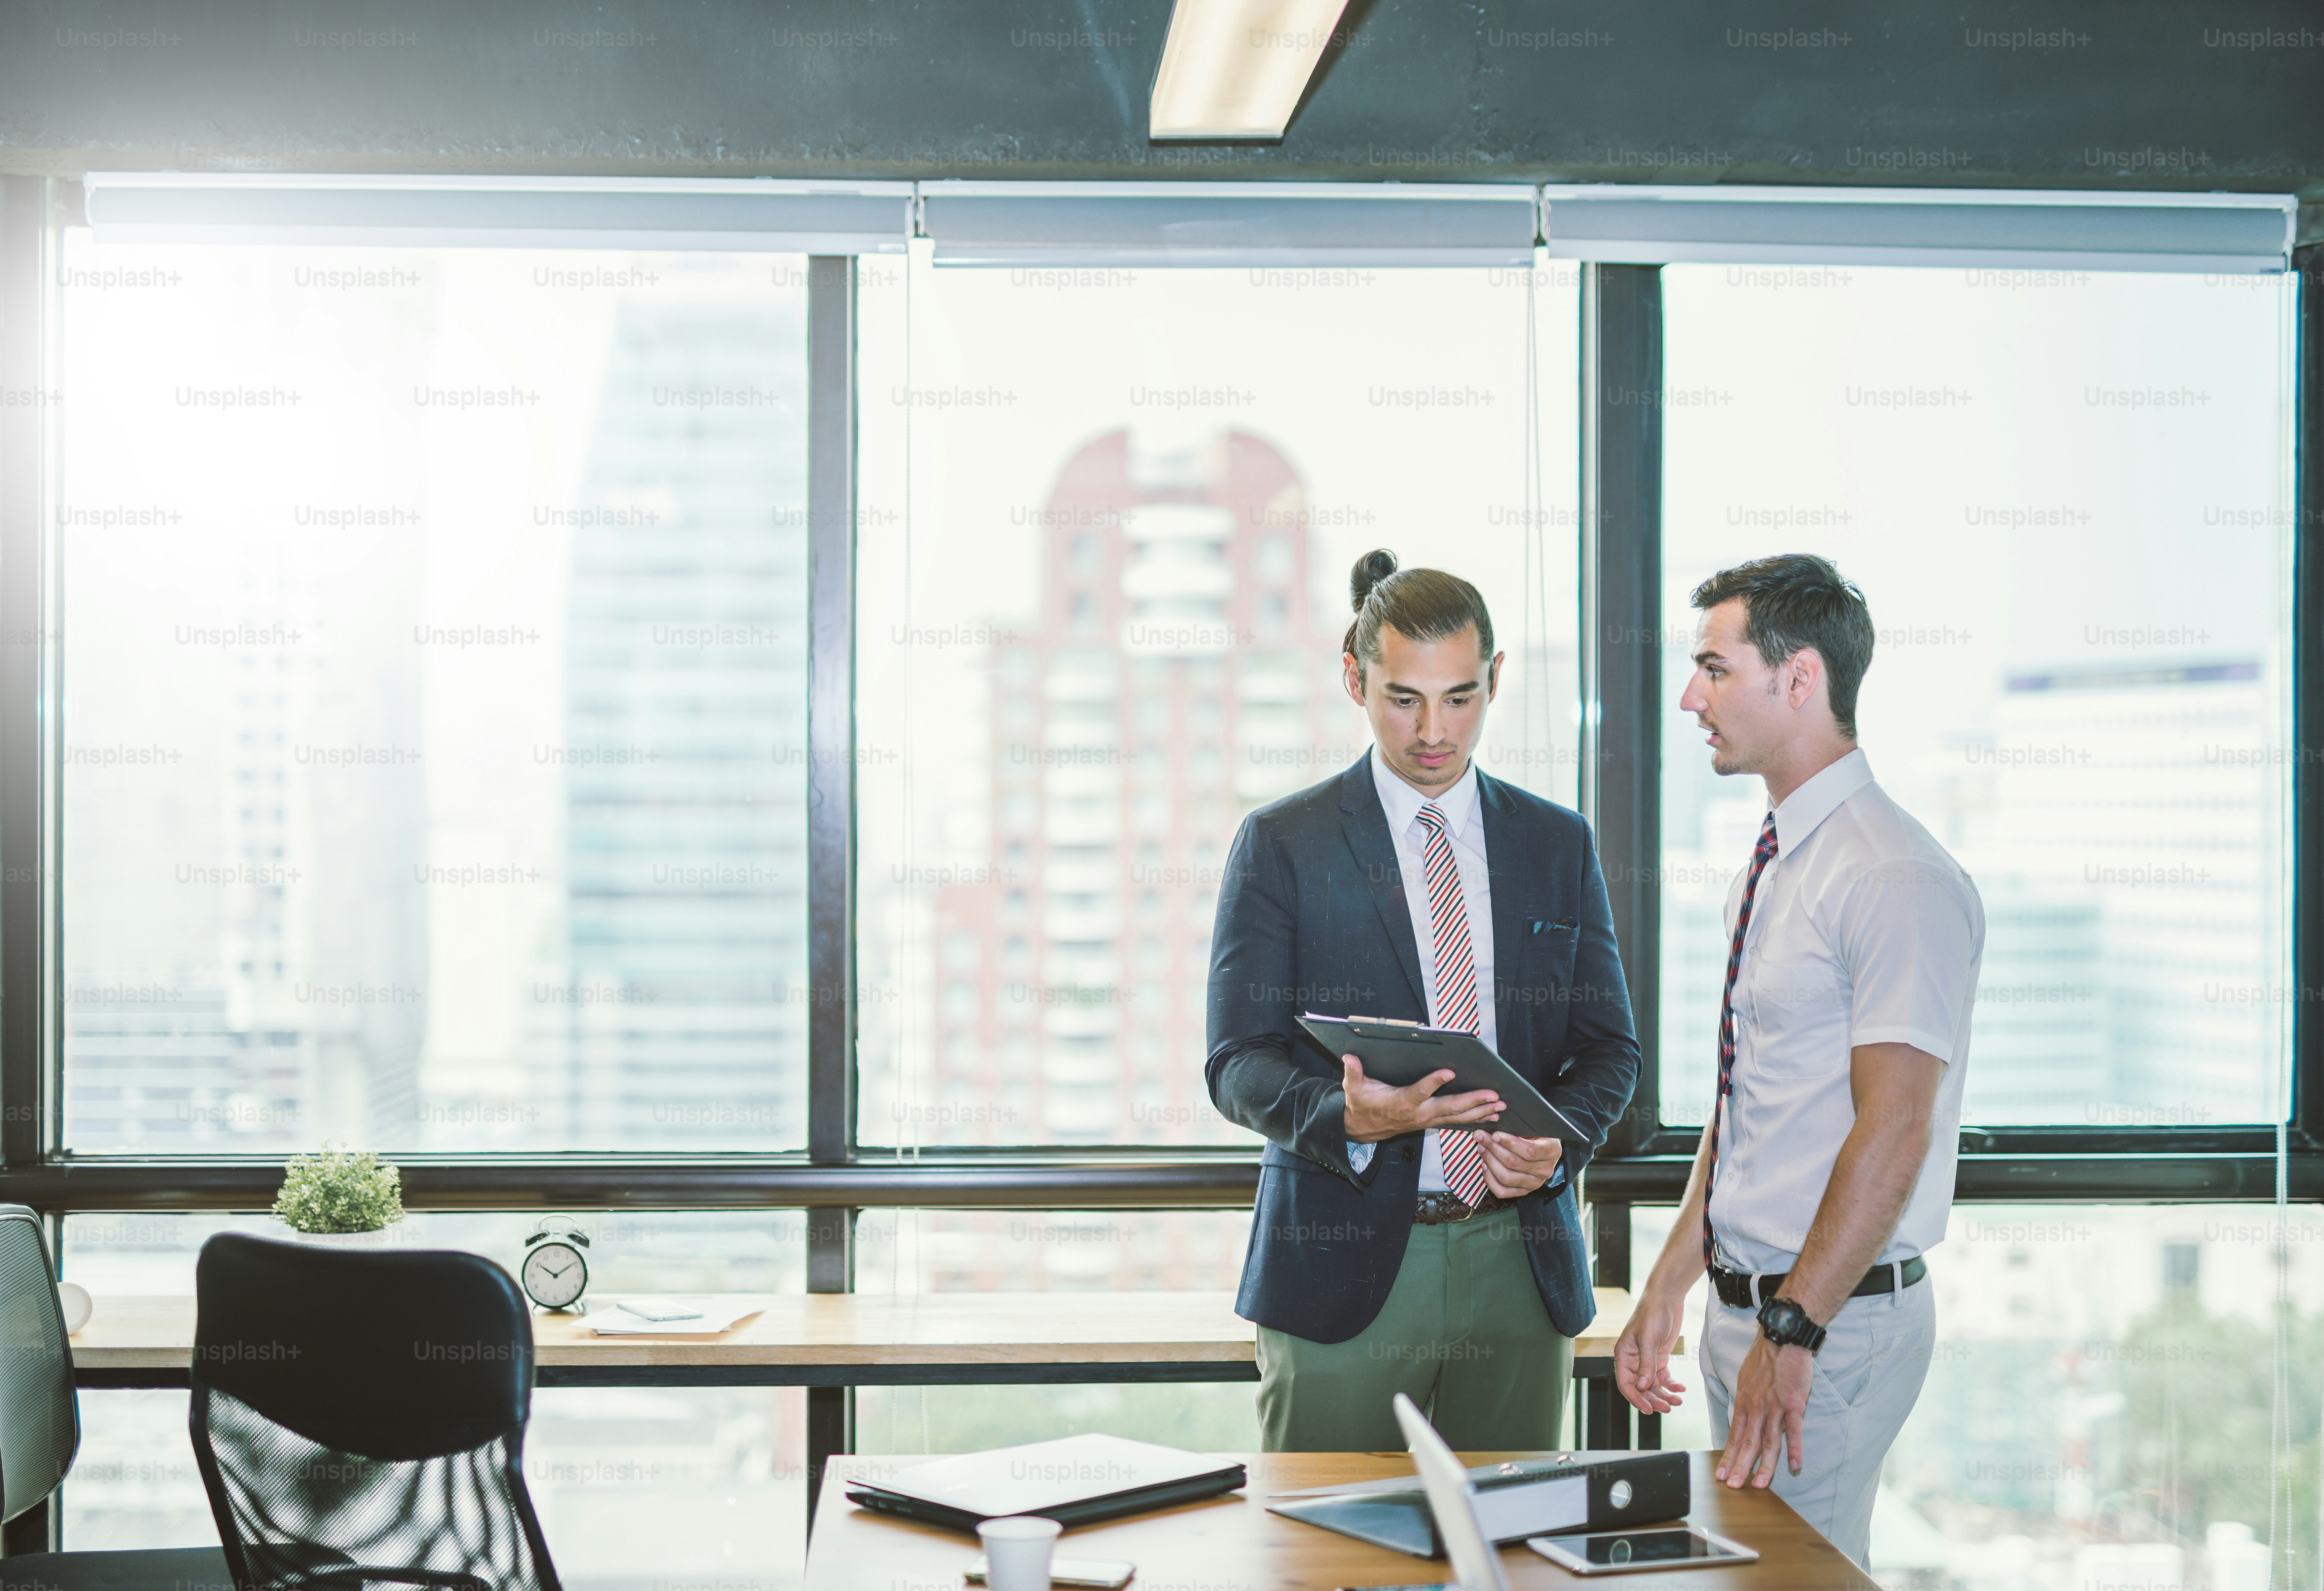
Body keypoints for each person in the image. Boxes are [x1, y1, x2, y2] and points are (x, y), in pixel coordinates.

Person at [1206, 549, 1640, 1451]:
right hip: (1341, 1260)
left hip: (1519, 1260)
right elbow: (1235, 1060)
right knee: (1319, 1560)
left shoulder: (1556, 843)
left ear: (1496, 679)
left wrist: (1558, 1140)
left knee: (1506, 1554)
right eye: (1403, 697)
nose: (1433, 730)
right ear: (1353, 678)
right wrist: (1343, 1116)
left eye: (1460, 697)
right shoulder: (1283, 843)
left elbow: (1610, 1052)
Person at [1613, 554, 1984, 1568]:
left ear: (1801, 678)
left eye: (1714, 668)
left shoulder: (1892, 873)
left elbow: (1896, 1125)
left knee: (1789, 1580)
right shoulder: (1779, 860)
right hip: (1759, 1315)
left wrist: (1795, 1331)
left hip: (1826, 1327)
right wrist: (1671, 1280)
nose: (1692, 697)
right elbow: (1748, 1108)